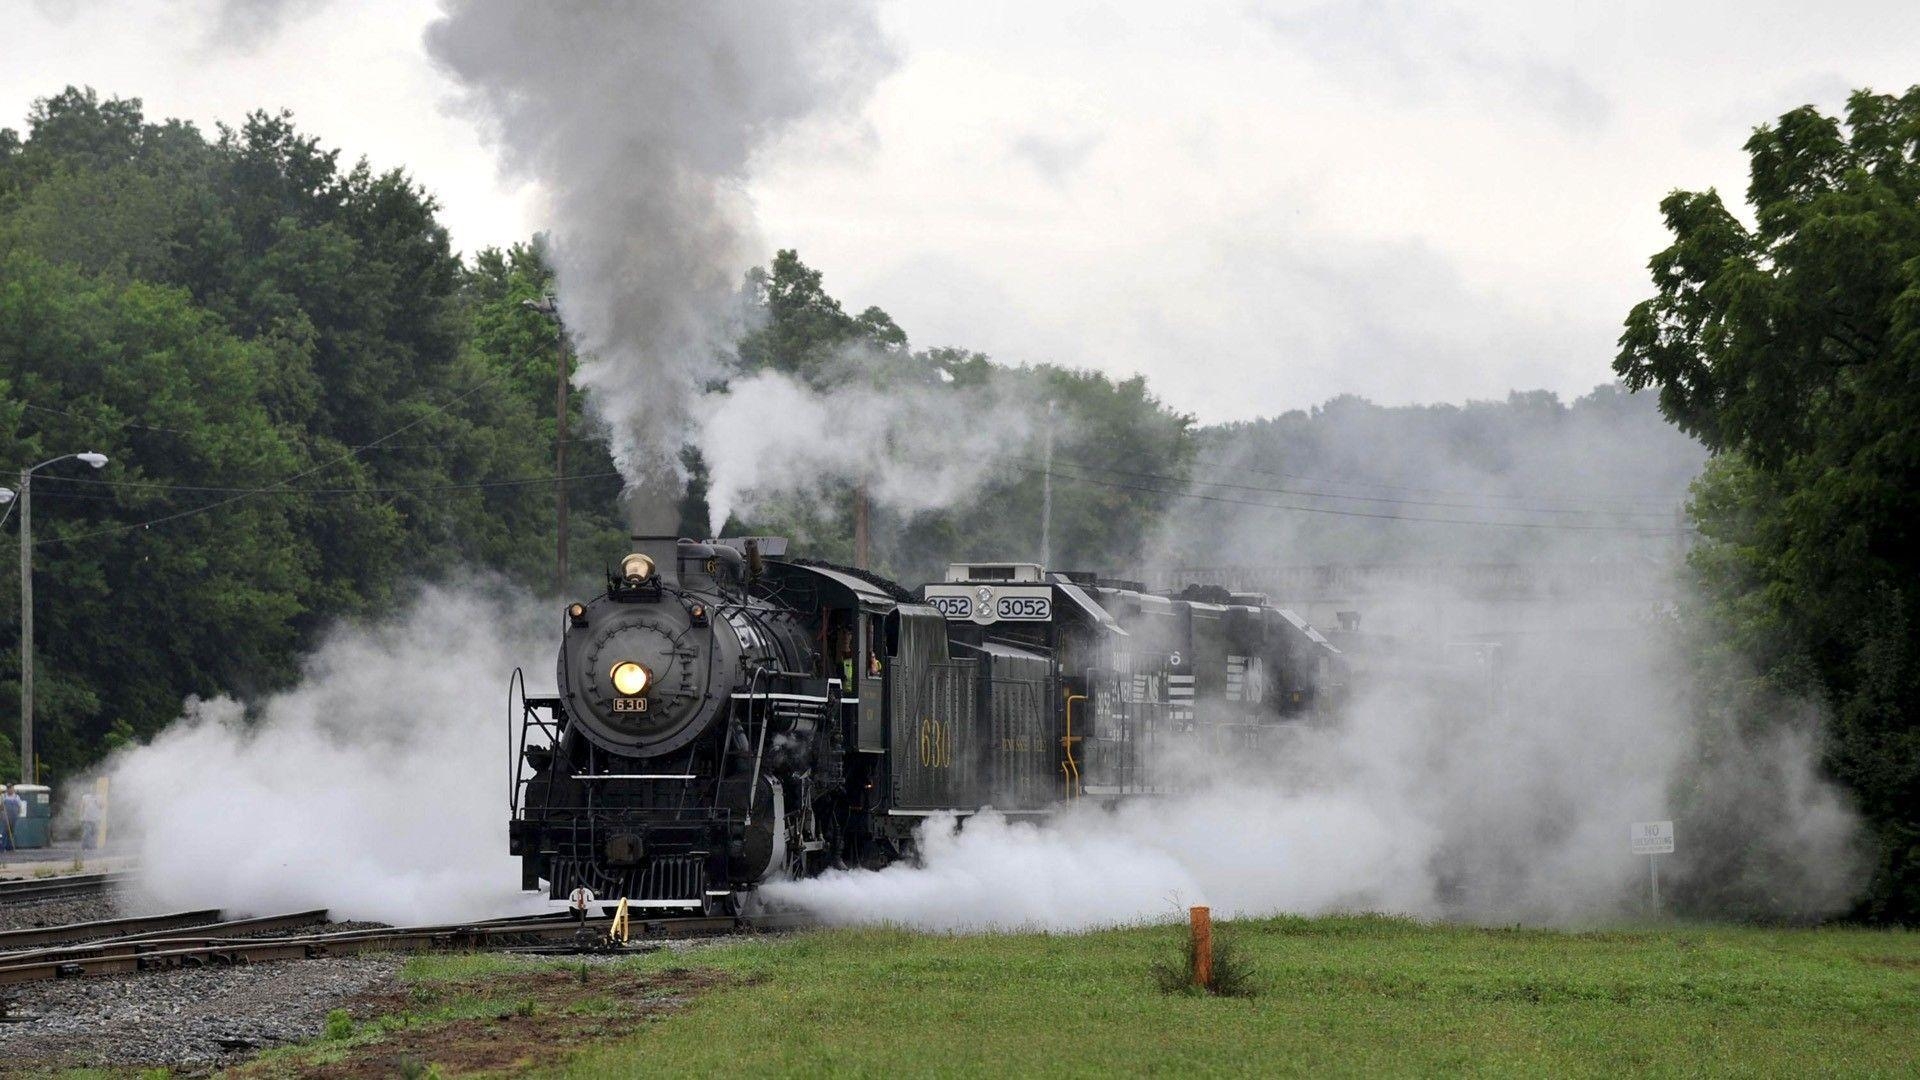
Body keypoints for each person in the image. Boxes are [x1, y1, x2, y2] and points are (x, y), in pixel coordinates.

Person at [0, 786, 22, 853]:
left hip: (14, 817)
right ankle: (2, 848)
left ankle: (10, 847)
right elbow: (1, 807)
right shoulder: (3, 796)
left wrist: (18, 814)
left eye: (11, 788)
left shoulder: (16, 797)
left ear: (13, 789)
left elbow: (19, 806)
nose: (10, 790)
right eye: (8, 788)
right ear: (7, 789)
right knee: (4, 832)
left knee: (12, 833)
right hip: (5, 817)